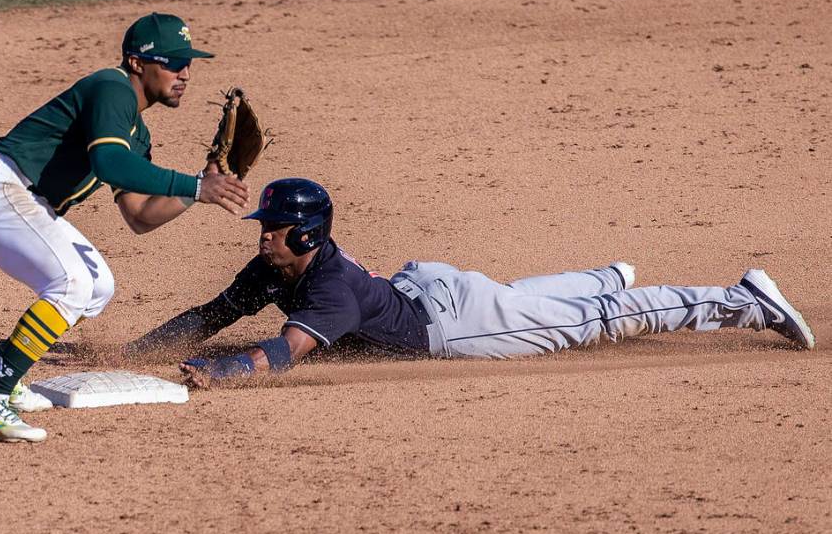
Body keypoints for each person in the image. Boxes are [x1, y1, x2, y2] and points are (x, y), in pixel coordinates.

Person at [122, 178, 815, 386]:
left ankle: (742, 301)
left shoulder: (328, 287)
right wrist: (129, 356)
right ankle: (603, 275)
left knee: (596, 322)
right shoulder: (273, 265)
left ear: (306, 235)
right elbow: (209, 313)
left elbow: (280, 354)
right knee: (527, 302)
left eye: (272, 226)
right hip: (434, 290)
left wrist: (219, 373)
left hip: (456, 325)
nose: (261, 233)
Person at [0, 12, 250, 442]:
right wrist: (197, 185)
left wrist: (201, 184)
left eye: (189, 63)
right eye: (173, 62)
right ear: (138, 62)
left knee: (97, 285)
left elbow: (140, 215)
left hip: (23, 199)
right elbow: (108, 162)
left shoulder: (136, 134)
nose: (185, 73)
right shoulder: (110, 87)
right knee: (70, 283)